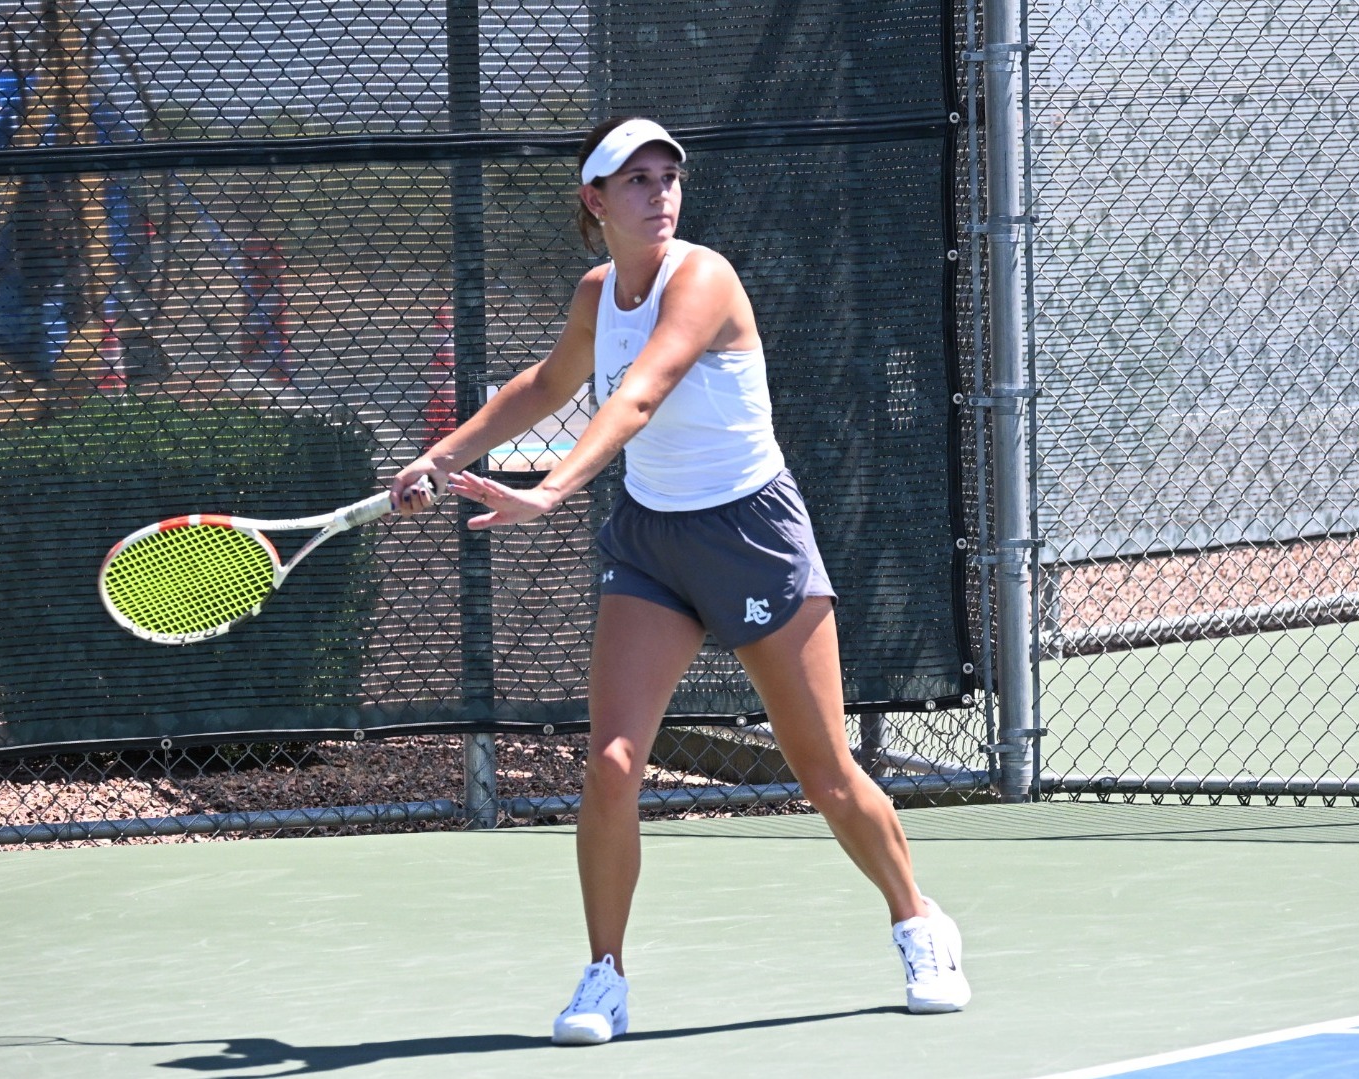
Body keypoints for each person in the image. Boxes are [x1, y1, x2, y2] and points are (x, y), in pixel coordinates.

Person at [389, 117, 971, 1045]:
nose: (660, 193)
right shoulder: (596, 292)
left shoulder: (704, 277)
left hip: (752, 535)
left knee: (823, 772)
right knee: (613, 764)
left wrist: (551, 491)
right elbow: (546, 384)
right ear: (595, 200)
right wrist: (439, 456)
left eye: (669, 176)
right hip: (653, 540)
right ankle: (604, 975)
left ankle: (918, 920)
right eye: (636, 180)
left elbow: (641, 392)